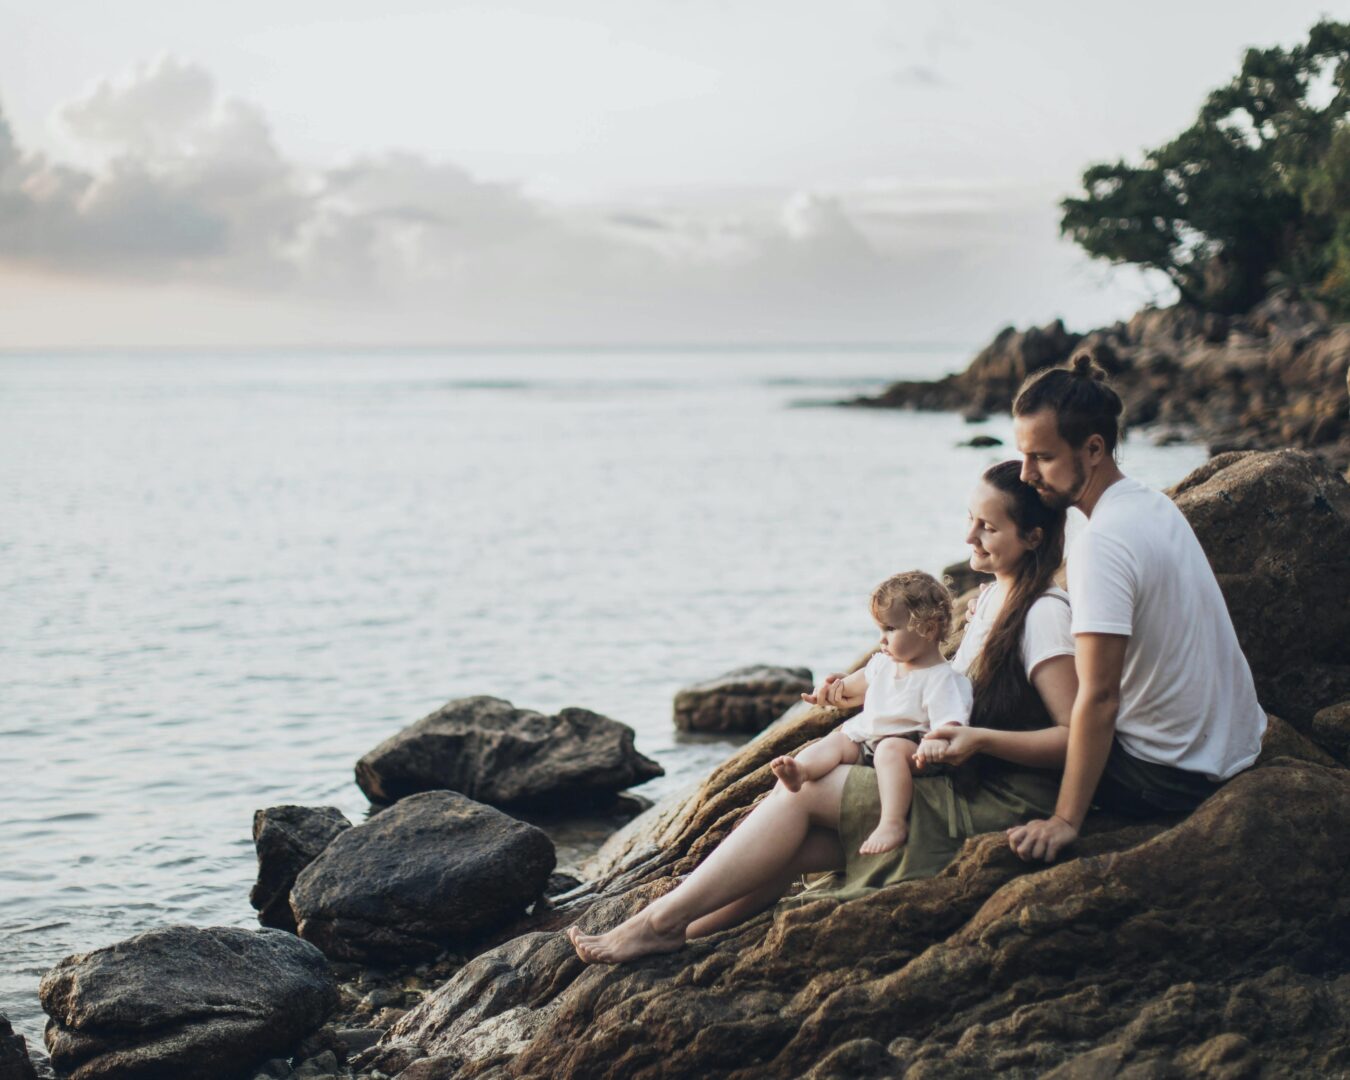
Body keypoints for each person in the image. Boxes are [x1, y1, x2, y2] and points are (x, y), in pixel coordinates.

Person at [569, 461, 1077, 964]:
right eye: (970, 518)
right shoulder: (991, 599)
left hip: (996, 798)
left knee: (802, 792)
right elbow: (938, 683)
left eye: (987, 527)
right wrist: (861, 693)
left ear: (1032, 537)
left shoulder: (1044, 615)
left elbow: (1076, 739)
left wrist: (982, 741)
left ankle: (657, 923)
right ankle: (689, 929)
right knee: (798, 841)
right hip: (956, 776)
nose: (969, 535)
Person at [1005, 352, 1267, 865]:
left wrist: (1065, 821)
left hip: (1170, 776)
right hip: (1235, 749)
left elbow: (1100, 699)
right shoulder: (1148, 502)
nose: (1025, 473)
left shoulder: (1101, 542)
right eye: (1022, 455)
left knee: (1010, 706)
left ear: (1094, 449)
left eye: (1042, 457)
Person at [769, 571, 972, 855]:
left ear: (927, 629)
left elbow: (950, 721)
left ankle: (893, 822)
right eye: (880, 631)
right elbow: (850, 687)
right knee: (838, 740)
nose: (882, 640)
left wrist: (937, 742)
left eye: (890, 629)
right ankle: (802, 771)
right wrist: (826, 691)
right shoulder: (883, 664)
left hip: (913, 751)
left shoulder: (942, 678)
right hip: (869, 742)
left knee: (890, 749)